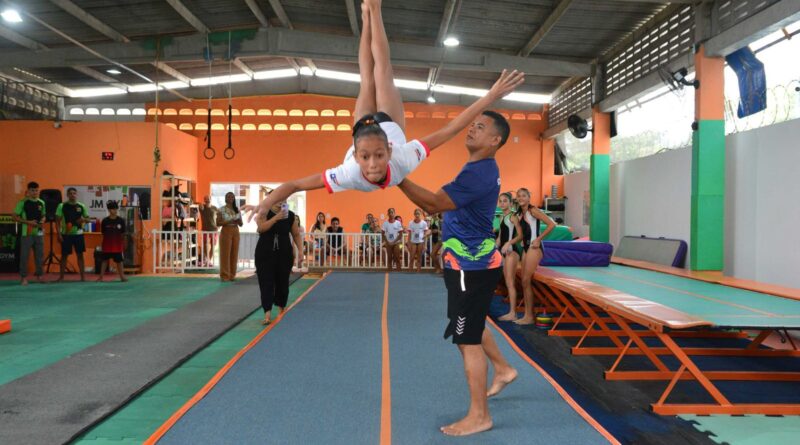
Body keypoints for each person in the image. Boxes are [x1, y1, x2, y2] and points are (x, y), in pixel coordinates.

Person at [245, 0, 524, 219]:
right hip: (388, 121)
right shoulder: (355, 170)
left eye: (378, 156)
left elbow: (451, 128)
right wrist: (267, 200)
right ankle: (373, 12)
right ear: (355, 156)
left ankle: (370, 13)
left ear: (389, 151)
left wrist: (490, 96)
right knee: (382, 73)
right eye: (365, 157)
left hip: (364, 124)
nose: (373, 164)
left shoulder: (399, 158)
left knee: (368, 75)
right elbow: (293, 185)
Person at [395, 111, 519, 436]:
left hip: (471, 267)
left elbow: (435, 204)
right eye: (473, 124)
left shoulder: (479, 173)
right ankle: (503, 368)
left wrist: (397, 177)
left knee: (466, 340)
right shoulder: (477, 169)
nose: (472, 129)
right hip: (466, 263)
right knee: (473, 326)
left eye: (481, 127)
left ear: (496, 141)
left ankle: (480, 415)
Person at [255, 199, 303, 325]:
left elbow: (296, 234)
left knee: (283, 281)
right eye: (278, 198)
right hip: (265, 252)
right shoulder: (263, 213)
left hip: (284, 252)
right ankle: (267, 313)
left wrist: (301, 252)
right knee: (266, 281)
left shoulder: (291, 215)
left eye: (284, 199)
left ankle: (281, 308)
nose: (280, 201)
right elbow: (261, 229)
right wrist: (276, 218)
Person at [514, 188, 556, 325]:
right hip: (526, 248)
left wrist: (538, 239)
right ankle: (527, 314)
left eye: (523, 196)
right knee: (524, 281)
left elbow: (552, 224)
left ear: (529, 197)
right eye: (519, 196)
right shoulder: (520, 213)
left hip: (534, 247)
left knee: (526, 280)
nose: (521, 198)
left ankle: (530, 316)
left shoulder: (533, 210)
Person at [495, 192, 524, 321]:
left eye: (505, 201)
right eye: (500, 201)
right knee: (507, 281)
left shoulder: (513, 216)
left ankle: (513, 313)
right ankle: (512, 311)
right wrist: (495, 247)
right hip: (505, 252)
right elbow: (500, 237)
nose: (502, 203)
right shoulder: (501, 217)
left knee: (510, 282)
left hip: (512, 252)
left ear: (511, 203)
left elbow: (520, 235)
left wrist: (509, 243)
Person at [12, 181, 46, 285]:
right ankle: (23, 278)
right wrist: (28, 222)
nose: (35, 192)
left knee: (39, 255)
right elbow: (14, 217)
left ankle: (39, 276)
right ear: (28, 191)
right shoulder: (22, 202)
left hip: (39, 233)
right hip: (26, 233)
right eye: (32, 190)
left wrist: (43, 220)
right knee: (24, 256)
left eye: (36, 190)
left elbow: (44, 215)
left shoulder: (42, 202)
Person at [55, 187, 90, 282]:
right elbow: (57, 222)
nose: (72, 195)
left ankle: (83, 277)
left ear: (76, 194)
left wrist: (83, 220)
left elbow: (88, 219)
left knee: (80, 255)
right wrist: (59, 234)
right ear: (67, 195)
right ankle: (61, 277)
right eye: (70, 193)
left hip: (78, 234)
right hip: (66, 234)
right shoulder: (62, 206)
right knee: (64, 256)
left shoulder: (81, 206)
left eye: (74, 193)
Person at [96, 201, 127, 282]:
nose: (115, 210)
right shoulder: (105, 221)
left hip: (117, 245)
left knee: (119, 261)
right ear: (109, 210)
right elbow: (103, 233)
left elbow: (123, 233)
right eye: (112, 209)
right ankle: (100, 277)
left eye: (116, 208)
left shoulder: (121, 221)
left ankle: (122, 277)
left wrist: (124, 243)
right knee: (104, 261)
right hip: (107, 245)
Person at [216, 192, 242, 282]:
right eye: (228, 196)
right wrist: (229, 220)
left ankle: (232, 275)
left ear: (234, 198)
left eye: (232, 196)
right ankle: (224, 275)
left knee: (234, 253)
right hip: (226, 230)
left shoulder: (237, 209)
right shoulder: (221, 209)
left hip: (236, 231)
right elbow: (218, 223)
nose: (230, 198)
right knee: (225, 254)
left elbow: (241, 224)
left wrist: (238, 221)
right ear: (225, 198)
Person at [198, 195, 219, 267]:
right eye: (206, 199)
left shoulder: (215, 208)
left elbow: (220, 216)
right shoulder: (202, 207)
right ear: (204, 200)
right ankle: (206, 259)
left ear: (211, 199)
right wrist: (199, 204)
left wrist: (219, 225)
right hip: (205, 229)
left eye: (208, 198)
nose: (207, 200)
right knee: (204, 245)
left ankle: (209, 261)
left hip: (214, 229)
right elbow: (196, 203)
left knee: (213, 245)